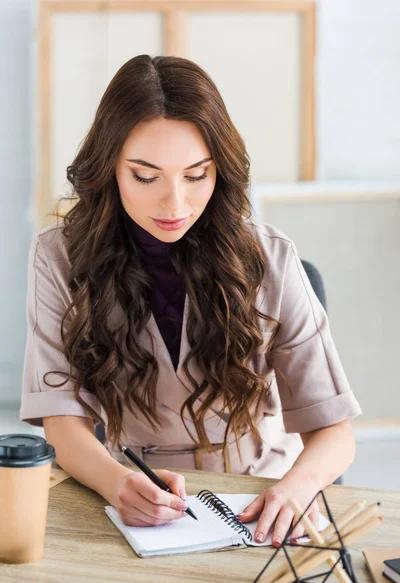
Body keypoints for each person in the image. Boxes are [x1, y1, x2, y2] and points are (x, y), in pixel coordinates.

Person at [20, 54, 361, 547]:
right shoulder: (58, 258)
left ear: (220, 170)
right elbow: (62, 423)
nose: (175, 203)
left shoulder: (270, 256)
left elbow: (334, 433)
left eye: (196, 175)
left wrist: (296, 488)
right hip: (139, 497)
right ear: (109, 169)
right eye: (145, 176)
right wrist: (117, 483)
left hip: (259, 497)